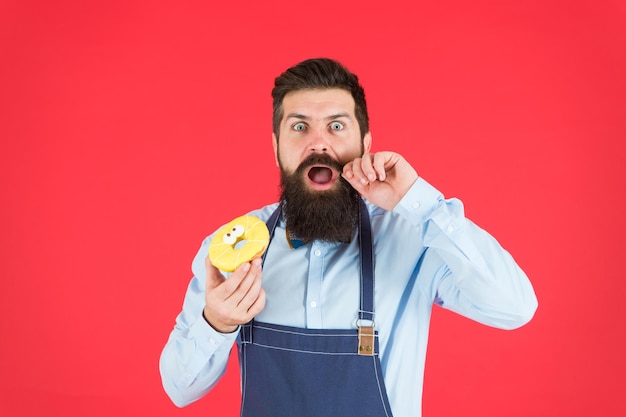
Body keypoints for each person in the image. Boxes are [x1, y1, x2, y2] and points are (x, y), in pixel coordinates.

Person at [159, 58, 538, 417]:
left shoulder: (415, 237)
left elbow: (514, 309)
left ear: (365, 145)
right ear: (276, 148)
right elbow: (179, 389)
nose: (319, 143)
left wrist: (421, 204)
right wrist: (217, 323)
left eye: (337, 126)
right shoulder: (230, 251)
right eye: (299, 127)